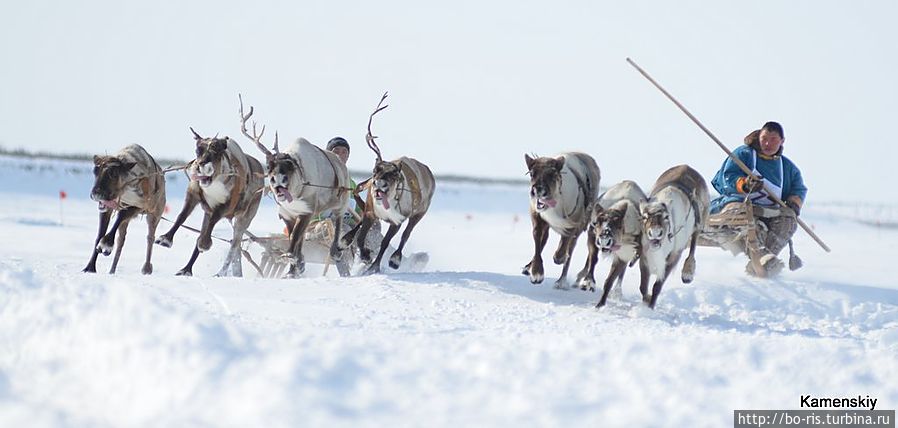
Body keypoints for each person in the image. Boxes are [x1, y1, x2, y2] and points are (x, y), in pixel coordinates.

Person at [709, 121, 807, 276]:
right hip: (739, 205)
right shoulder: (744, 154)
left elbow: (799, 189)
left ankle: (763, 260)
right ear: (758, 137)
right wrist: (744, 184)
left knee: (788, 220)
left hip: (770, 211)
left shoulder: (787, 167)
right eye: (764, 138)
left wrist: (794, 203)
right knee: (753, 225)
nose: (767, 144)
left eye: (773, 139)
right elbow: (727, 176)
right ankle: (761, 259)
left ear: (782, 141)